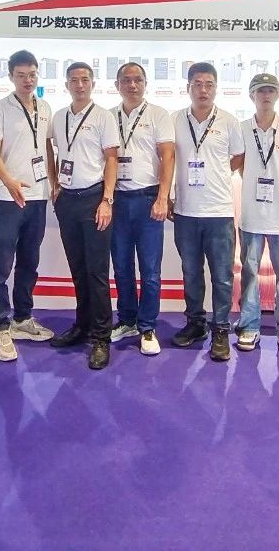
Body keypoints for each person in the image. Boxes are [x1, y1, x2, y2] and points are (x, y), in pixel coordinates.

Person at [0, 49, 56, 362]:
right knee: (1, 263)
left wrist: (53, 182)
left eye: (32, 74)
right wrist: (9, 181)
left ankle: (22, 318)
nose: (28, 80)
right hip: (8, 198)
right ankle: (0, 327)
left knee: (29, 261)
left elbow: (47, 148)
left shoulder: (45, 107)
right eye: (21, 75)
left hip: (38, 197)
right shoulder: (0, 108)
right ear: (11, 76)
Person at [170, 62, 244, 362]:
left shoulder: (229, 121)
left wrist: (217, 172)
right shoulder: (175, 120)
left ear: (216, 88)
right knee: (191, 272)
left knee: (222, 275)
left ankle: (221, 328)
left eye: (209, 84)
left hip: (219, 211)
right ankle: (195, 323)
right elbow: (166, 157)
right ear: (188, 87)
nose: (203, 90)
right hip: (185, 211)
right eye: (197, 84)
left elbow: (239, 156)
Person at [49, 62, 121, 370]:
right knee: (78, 269)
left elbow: (112, 159)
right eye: (74, 80)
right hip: (67, 199)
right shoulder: (59, 117)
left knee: (97, 272)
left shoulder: (103, 117)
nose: (80, 85)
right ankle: (82, 325)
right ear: (66, 84)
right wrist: (54, 183)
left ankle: (101, 337)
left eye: (85, 80)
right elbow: (53, 151)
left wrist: (107, 199)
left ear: (92, 84)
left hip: (94, 199)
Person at [236, 73, 279, 357]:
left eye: (270, 91)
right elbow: (240, 165)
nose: (265, 95)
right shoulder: (241, 128)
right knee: (249, 273)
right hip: (251, 215)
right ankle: (249, 326)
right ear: (251, 95)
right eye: (260, 91)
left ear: (277, 95)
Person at [109, 61, 174, 356]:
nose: (132, 85)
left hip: (148, 199)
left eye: (138, 80)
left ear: (146, 84)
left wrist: (163, 197)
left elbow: (167, 157)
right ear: (117, 85)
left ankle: (147, 326)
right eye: (126, 80)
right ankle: (127, 320)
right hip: (118, 201)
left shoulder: (158, 115)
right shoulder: (108, 116)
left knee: (149, 270)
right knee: (121, 267)